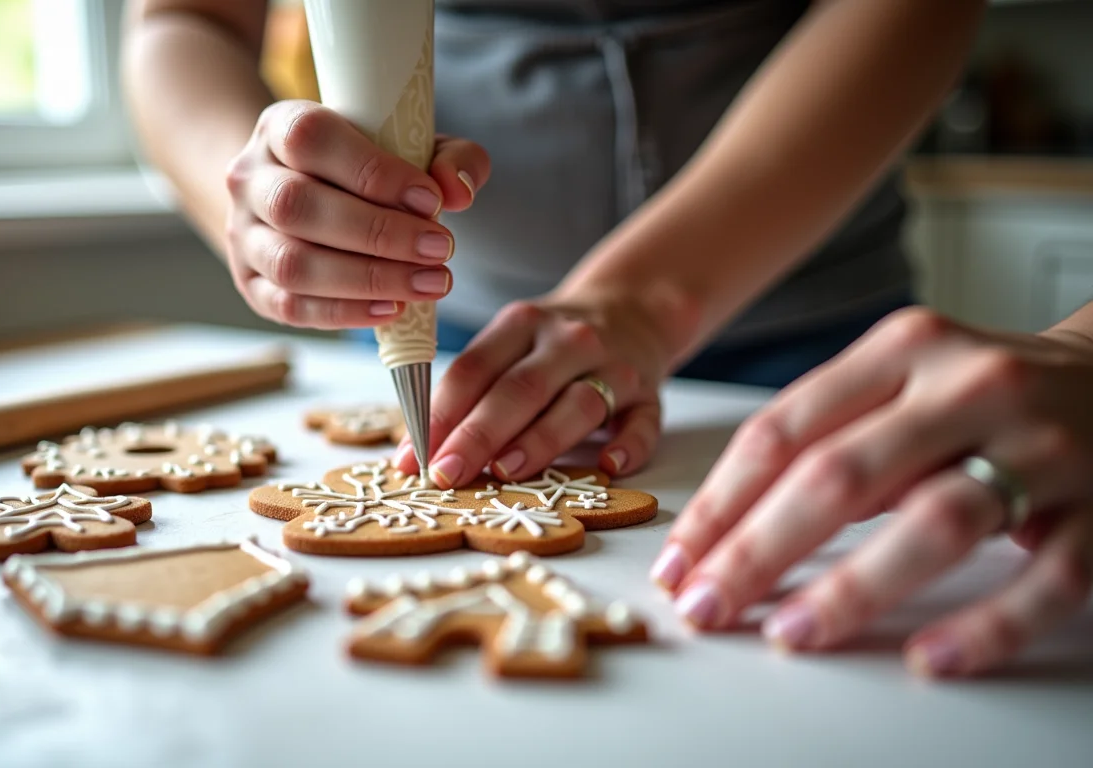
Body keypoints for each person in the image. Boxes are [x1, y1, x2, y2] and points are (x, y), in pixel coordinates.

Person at [123, 0, 1093, 677]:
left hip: (818, 362)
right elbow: (182, 18)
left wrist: (642, 300)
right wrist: (254, 201)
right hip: (451, 356)